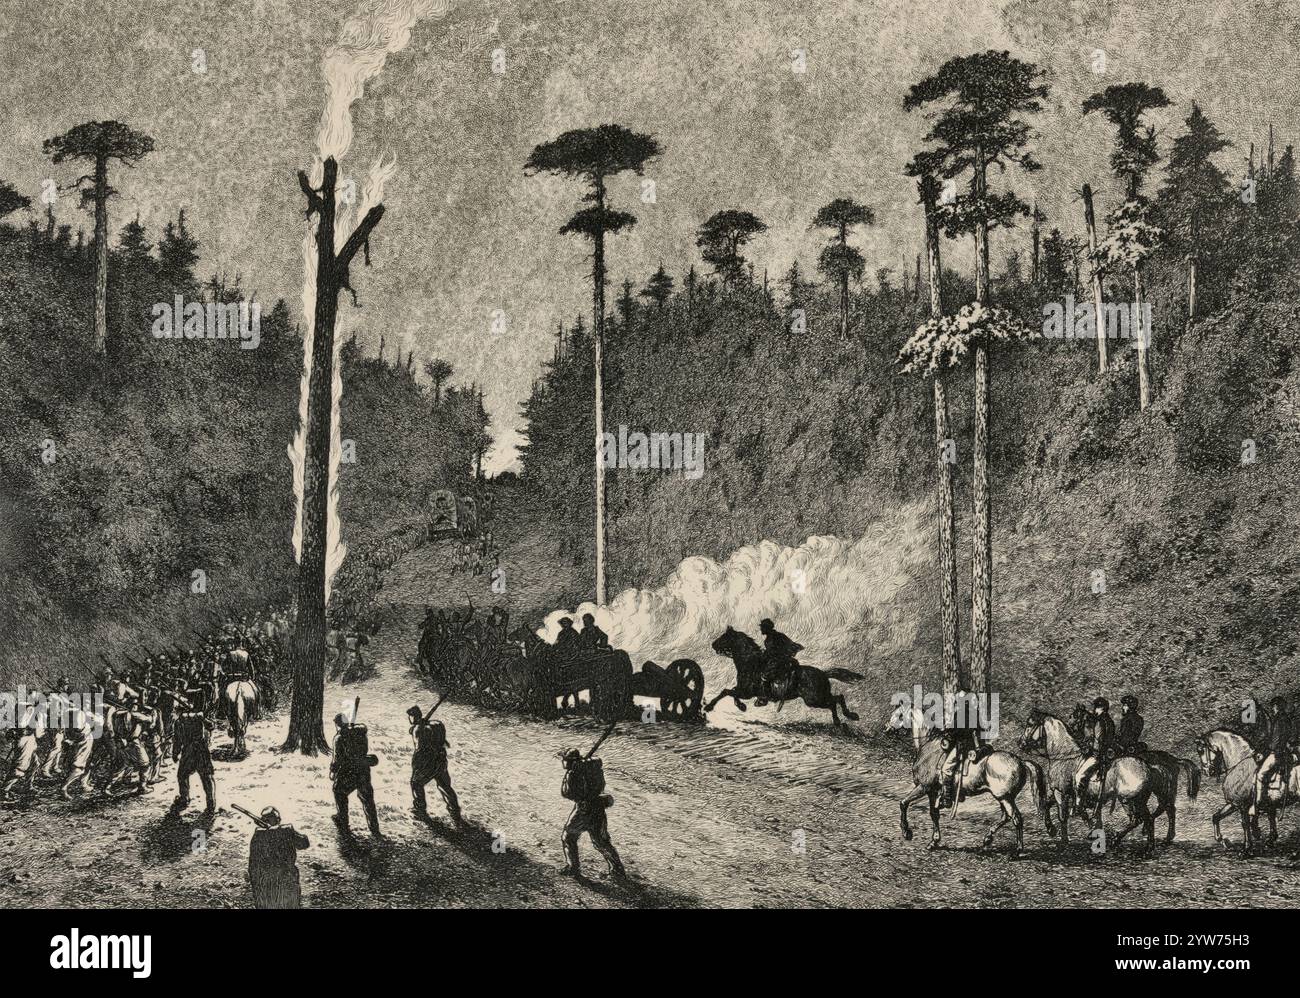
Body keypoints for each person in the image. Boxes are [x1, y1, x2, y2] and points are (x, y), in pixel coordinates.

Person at [559, 748, 625, 880]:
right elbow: (600, 786)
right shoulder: (592, 767)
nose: (563, 762)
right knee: (601, 842)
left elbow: (568, 793)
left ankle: (573, 868)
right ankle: (617, 870)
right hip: (598, 807)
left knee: (569, 836)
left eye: (565, 760)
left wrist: (572, 774)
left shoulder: (574, 773)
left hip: (584, 809)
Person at [407, 705, 462, 824]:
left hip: (427, 762)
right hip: (441, 760)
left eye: (410, 717)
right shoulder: (437, 724)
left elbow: (419, 749)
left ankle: (420, 809)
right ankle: (455, 810)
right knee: (444, 785)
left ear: (413, 717)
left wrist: (416, 766)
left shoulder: (418, 729)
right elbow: (444, 742)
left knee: (416, 783)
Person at [331, 712, 381, 838]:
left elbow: (337, 758)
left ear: (338, 724)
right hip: (363, 770)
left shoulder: (339, 738)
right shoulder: (361, 733)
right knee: (367, 799)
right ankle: (374, 827)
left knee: (339, 792)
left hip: (348, 771)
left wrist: (333, 771)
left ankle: (343, 823)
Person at [248, 806, 310, 909]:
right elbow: (304, 843)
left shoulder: (258, 835)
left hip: (265, 881)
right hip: (285, 878)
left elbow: (252, 865)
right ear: (278, 820)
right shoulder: (287, 830)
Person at [172, 687, 216, 815]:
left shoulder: (181, 720)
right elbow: (211, 726)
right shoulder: (197, 717)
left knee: (183, 775)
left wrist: (175, 753)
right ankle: (211, 804)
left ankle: (185, 798)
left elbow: (177, 739)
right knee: (206, 777)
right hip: (201, 750)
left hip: (189, 751)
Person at [1251, 697, 1293, 818]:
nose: (1272, 708)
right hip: (1283, 751)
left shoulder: (1279, 720)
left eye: (1274, 706)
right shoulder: (1285, 719)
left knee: (1260, 775)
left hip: (1277, 753)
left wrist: (1264, 752)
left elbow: (1275, 741)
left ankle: (1258, 804)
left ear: (1278, 706)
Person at [1074, 697, 1116, 810]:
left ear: (1101, 708)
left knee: (1079, 776)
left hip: (1098, 755)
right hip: (1107, 753)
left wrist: (1089, 749)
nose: (1094, 710)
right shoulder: (1110, 721)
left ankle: (1079, 803)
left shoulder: (1100, 722)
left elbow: (1098, 740)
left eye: (1096, 708)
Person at [757, 618, 802, 705]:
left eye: (762, 627)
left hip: (781, 661)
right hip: (774, 660)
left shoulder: (778, 636)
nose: (761, 629)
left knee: (765, 676)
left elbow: (788, 646)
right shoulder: (767, 639)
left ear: (767, 628)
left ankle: (767, 697)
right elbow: (770, 651)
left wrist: (777, 654)